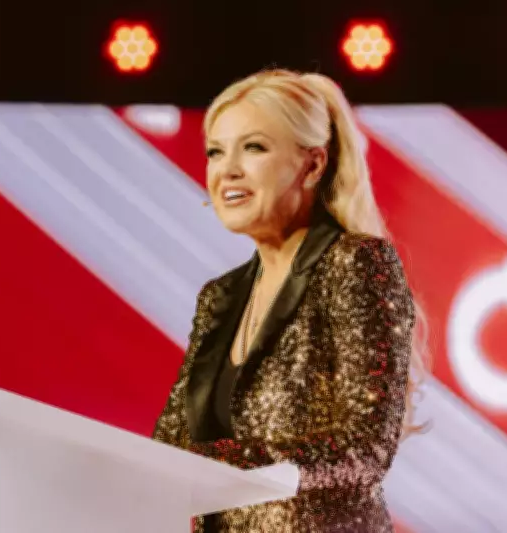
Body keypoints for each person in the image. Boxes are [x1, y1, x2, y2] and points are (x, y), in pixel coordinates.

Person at [152, 69, 428, 532]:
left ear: (313, 165)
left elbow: (364, 450)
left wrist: (218, 464)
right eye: (215, 151)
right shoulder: (219, 296)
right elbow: (172, 444)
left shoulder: (355, 263)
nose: (227, 170)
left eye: (253, 148)